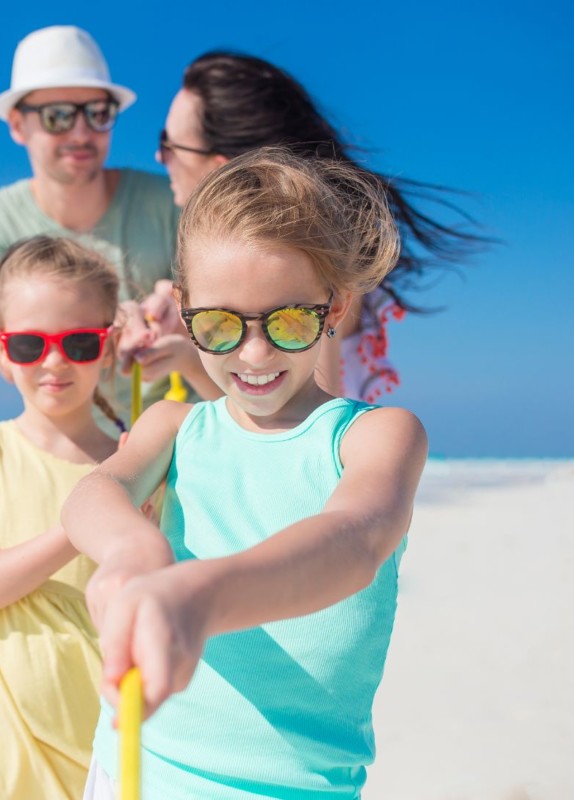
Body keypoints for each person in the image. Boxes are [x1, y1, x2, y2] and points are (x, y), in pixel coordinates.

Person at [62, 148, 429, 798]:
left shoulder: (374, 437)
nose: (253, 354)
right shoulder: (175, 428)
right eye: (222, 325)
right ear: (187, 308)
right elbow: (97, 491)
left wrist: (198, 598)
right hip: (135, 771)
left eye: (288, 322)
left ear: (335, 307)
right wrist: (130, 550)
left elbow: (353, 540)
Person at [151, 50, 487, 401]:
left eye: (170, 145)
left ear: (222, 169)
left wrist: (191, 360)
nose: (160, 158)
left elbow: (303, 429)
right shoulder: (316, 248)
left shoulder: (308, 254)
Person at [0, 236, 125, 798]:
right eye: (29, 345)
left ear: (107, 347)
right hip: (3, 749)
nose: (55, 361)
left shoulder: (131, 465)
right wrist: (82, 520)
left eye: (81, 342)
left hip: (101, 737)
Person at [0, 25, 211, 420]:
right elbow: (10, 358)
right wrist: (113, 323)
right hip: (74, 443)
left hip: (182, 435)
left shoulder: (173, 201)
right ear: (17, 125)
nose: (81, 132)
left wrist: (181, 314)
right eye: (58, 116)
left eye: (97, 113)